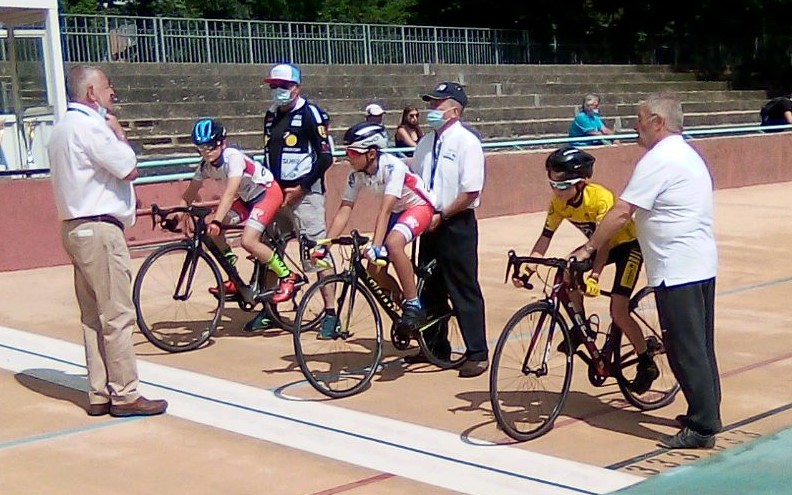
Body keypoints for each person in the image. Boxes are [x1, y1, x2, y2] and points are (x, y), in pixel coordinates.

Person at [572, 93, 721, 449]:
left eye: (639, 120)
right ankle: (707, 410)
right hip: (696, 263)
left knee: (685, 348)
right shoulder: (685, 154)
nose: (635, 126)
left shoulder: (661, 159)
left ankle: (702, 427)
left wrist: (590, 247)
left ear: (658, 122)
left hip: (678, 267)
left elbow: (623, 210)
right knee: (700, 345)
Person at [48, 65, 168, 417]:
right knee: (116, 313)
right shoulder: (91, 127)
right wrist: (118, 132)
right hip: (99, 228)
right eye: (106, 87)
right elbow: (128, 166)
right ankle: (125, 393)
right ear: (90, 93)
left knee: (92, 316)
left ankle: (99, 391)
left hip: (73, 225)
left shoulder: (61, 129)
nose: (111, 93)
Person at [522, 146, 658, 393]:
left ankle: (646, 360)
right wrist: (529, 266)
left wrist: (595, 275)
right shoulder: (558, 203)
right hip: (597, 245)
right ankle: (582, 327)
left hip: (627, 247)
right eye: (552, 184)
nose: (556, 190)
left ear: (581, 184)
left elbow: (604, 241)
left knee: (618, 309)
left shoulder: (600, 198)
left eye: (562, 186)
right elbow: (545, 237)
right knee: (565, 270)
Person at [316, 122, 435, 338]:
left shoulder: (393, 167)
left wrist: (377, 246)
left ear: (371, 153)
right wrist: (326, 244)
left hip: (419, 206)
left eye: (353, 152)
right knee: (373, 271)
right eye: (346, 152)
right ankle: (401, 301)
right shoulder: (356, 174)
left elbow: (385, 210)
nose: (348, 157)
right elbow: (345, 209)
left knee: (393, 244)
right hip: (398, 212)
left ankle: (413, 304)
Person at [245, 63, 334, 332]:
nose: (278, 91)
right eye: (274, 86)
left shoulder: (311, 114)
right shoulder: (270, 116)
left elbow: (326, 157)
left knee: (316, 252)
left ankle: (331, 314)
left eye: (283, 86)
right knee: (271, 250)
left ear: (297, 87)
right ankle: (269, 308)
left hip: (304, 193)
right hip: (275, 194)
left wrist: (302, 188)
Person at [408, 81, 488, 378]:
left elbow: (470, 191)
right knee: (430, 284)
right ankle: (434, 344)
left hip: (456, 223)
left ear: (454, 110)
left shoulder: (467, 142)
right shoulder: (425, 143)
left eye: (437, 105)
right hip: (427, 220)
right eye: (430, 104)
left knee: (462, 286)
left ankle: (477, 352)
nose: (431, 110)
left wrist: (442, 214)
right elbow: (416, 181)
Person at [180, 118, 297, 304]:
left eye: (210, 146)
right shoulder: (205, 166)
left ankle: (287, 275)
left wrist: (218, 220)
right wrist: (176, 215)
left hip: (266, 193)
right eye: (201, 148)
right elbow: (188, 195)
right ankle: (233, 277)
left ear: (222, 143)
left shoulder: (232, 157)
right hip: (247, 199)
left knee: (248, 240)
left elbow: (230, 192)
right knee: (213, 234)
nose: (206, 152)